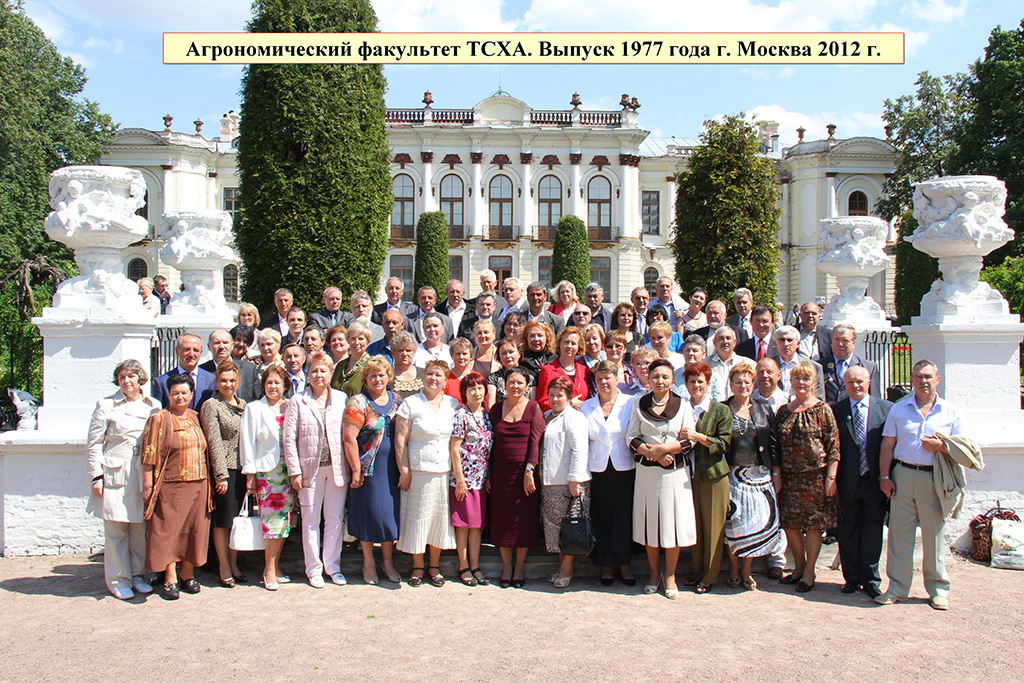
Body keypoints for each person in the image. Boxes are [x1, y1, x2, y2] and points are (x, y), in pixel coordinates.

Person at [875, 360, 963, 611]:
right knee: (899, 535)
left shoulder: (950, 412)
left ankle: (937, 590)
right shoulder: (899, 410)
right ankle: (897, 588)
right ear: (911, 380)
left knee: (934, 536)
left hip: (934, 478)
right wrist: (884, 477)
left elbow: (964, 448)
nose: (923, 381)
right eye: (918, 377)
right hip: (903, 475)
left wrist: (942, 446)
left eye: (928, 376)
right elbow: (887, 446)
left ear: (937, 379)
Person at [86, 359, 160, 599]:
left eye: (131, 376)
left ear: (140, 378)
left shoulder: (153, 406)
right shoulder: (106, 405)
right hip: (115, 471)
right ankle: (118, 579)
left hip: (142, 471)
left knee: (139, 527)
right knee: (116, 528)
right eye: (121, 377)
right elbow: (94, 444)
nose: (126, 381)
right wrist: (96, 476)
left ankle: (138, 575)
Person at [627, 359, 697, 599]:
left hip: (675, 475)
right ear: (649, 378)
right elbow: (631, 437)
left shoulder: (683, 405)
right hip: (648, 473)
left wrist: (666, 450)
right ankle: (654, 573)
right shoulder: (639, 404)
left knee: (671, 524)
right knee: (651, 524)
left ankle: (670, 575)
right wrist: (653, 453)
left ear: (672, 381)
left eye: (665, 377)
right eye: (655, 376)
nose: (660, 381)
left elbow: (690, 440)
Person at [282, 351, 349, 588]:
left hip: (337, 468)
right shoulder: (297, 401)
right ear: (307, 374)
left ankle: (333, 566)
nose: (318, 375)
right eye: (314, 371)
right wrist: (294, 471)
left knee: (334, 519)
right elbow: (289, 439)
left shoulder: (341, 399)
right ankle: (313, 569)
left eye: (323, 370)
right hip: (309, 470)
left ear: (331, 373)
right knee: (310, 521)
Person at [141, 373, 211, 600]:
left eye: (184, 393)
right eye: (175, 393)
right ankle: (170, 576)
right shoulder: (160, 419)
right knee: (169, 531)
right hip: (172, 484)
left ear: (191, 395)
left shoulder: (196, 417)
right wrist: (147, 484)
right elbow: (149, 454)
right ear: (168, 395)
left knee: (194, 530)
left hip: (199, 484)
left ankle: (187, 574)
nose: (180, 397)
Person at [776, 361, 840, 593]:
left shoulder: (823, 410)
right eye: (797, 378)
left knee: (814, 526)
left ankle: (810, 570)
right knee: (791, 525)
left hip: (815, 477)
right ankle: (799, 567)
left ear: (814, 382)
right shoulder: (783, 411)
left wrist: (831, 478)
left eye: (806, 379)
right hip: (790, 479)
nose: (801, 383)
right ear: (790, 382)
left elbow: (833, 446)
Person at [395, 360, 460, 586]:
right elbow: (400, 440)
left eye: (438, 375)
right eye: (430, 374)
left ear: (445, 380)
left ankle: (434, 566)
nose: (433, 378)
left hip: (443, 472)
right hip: (417, 472)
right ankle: (417, 567)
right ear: (424, 377)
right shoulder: (410, 404)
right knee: (418, 519)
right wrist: (404, 470)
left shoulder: (453, 405)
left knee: (438, 521)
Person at [832, 366, 893, 599]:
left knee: (872, 531)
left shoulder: (887, 410)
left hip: (874, 481)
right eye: (850, 383)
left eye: (860, 381)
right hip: (847, 480)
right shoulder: (836, 410)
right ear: (844, 385)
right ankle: (851, 578)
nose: (855, 386)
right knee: (847, 530)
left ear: (868, 382)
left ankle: (871, 579)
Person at [722, 362, 783, 591]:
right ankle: (734, 569)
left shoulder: (763, 407)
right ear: (731, 384)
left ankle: (747, 570)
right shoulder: (722, 408)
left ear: (753, 383)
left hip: (759, 475)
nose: (743, 386)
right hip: (732, 474)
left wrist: (776, 472)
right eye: (738, 382)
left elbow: (774, 443)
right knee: (734, 524)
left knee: (754, 525)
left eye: (747, 382)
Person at [342, 356, 402, 585]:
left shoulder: (396, 399)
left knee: (389, 516)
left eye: (382, 375)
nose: (378, 379)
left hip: (392, 468)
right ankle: (368, 562)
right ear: (365, 378)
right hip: (368, 469)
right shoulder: (358, 402)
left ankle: (388, 561)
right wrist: (356, 470)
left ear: (389, 377)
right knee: (368, 514)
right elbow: (349, 438)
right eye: (373, 375)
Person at [679, 361, 733, 593]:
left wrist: (698, 437)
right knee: (696, 529)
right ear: (686, 385)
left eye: (701, 381)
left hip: (713, 476)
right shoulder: (682, 409)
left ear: (708, 384)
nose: (696, 385)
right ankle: (697, 571)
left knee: (713, 529)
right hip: (688, 477)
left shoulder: (720, 410)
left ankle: (710, 576)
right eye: (692, 381)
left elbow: (723, 444)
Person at [488, 367, 545, 588]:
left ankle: (519, 567)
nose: (515, 386)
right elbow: (490, 445)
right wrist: (488, 474)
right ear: (504, 384)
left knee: (524, 521)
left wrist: (530, 470)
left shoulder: (533, 408)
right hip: (500, 474)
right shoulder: (495, 410)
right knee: (503, 521)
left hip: (525, 475)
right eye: (511, 382)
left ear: (526, 386)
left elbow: (535, 441)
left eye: (520, 383)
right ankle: (506, 568)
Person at [239, 364, 294, 591]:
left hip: (288, 472)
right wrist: (250, 473)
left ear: (285, 386)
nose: (273, 387)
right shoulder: (253, 408)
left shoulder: (291, 406)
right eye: (269, 383)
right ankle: (268, 569)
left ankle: (276, 565)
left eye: (277, 383)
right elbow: (247, 442)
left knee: (284, 522)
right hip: (267, 474)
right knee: (271, 522)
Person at [582, 360, 637, 586]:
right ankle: (605, 566)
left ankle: (624, 565)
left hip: (624, 467)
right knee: (602, 516)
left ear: (617, 379)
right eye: (599, 378)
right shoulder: (586, 406)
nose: (604, 382)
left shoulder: (631, 403)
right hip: (598, 469)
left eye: (608, 377)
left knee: (623, 517)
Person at [199, 360, 248, 588]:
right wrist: (220, 474)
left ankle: (234, 563)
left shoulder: (244, 404)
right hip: (225, 470)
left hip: (241, 468)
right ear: (216, 382)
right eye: (223, 381)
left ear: (237, 382)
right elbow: (214, 441)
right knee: (223, 521)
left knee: (236, 520)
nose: (228, 384)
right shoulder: (212, 405)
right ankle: (223, 566)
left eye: (231, 380)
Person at [539, 377, 591, 588]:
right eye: (551, 395)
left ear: (569, 397)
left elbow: (580, 450)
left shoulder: (575, 418)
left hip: (568, 482)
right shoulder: (546, 416)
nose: (555, 399)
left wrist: (574, 479)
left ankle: (566, 569)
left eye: (560, 395)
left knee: (571, 527)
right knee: (555, 528)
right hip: (549, 481)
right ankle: (561, 566)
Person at [449, 372, 493, 586]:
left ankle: (475, 566)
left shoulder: (486, 415)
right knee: (463, 526)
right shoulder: (461, 415)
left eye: (480, 388)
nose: (477, 392)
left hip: (480, 480)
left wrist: (488, 476)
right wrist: (459, 479)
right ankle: (463, 566)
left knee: (477, 525)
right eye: (471, 389)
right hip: (464, 480)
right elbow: (455, 449)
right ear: (465, 393)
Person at [152, 333, 215, 410]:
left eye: (195, 350)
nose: (191, 354)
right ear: (177, 351)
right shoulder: (162, 382)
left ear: (201, 353)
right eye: (187, 349)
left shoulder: (211, 380)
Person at [820, 323, 880, 403]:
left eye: (845, 340)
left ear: (853, 343)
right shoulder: (819, 366)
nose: (840, 344)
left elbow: (874, 401)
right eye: (837, 339)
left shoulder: (869, 367)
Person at [537, 326, 592, 411]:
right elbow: (543, 402)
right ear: (559, 344)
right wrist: (568, 404)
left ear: (579, 347)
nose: (569, 346)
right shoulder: (548, 370)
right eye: (566, 342)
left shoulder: (585, 370)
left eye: (573, 343)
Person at [201, 329, 261, 403]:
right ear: (209, 346)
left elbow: (258, 399)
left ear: (232, 345)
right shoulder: (202, 371)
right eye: (217, 343)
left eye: (225, 342)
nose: (222, 346)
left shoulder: (249, 369)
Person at [487, 337, 535, 408]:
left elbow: (533, 405)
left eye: (511, 352)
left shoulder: (530, 377)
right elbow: (490, 405)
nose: (508, 356)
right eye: (503, 353)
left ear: (519, 354)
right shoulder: (493, 378)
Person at [331, 321, 372, 396]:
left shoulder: (371, 366)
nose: (356, 342)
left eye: (360, 339)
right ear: (348, 340)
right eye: (353, 339)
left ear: (367, 341)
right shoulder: (340, 365)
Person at [519, 318, 556, 385]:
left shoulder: (555, 359)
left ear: (547, 337)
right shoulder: (521, 359)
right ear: (526, 338)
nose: (536, 339)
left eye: (540, 335)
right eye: (532, 336)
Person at [444, 337, 474, 403]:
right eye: (458, 354)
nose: (461, 357)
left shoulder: (477, 377)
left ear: (471, 356)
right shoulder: (445, 378)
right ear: (452, 356)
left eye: (464, 354)